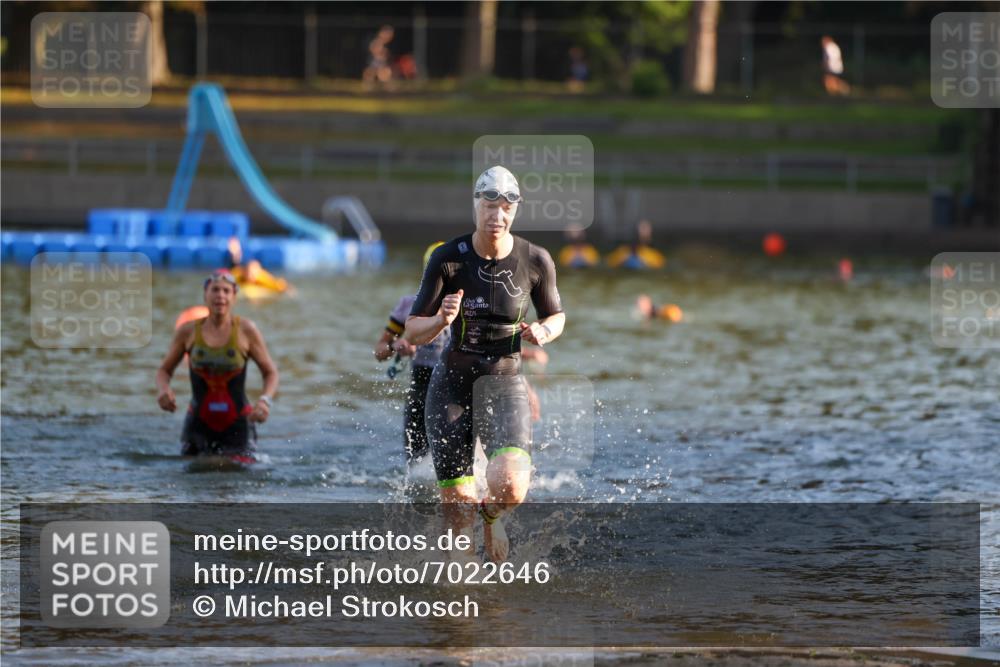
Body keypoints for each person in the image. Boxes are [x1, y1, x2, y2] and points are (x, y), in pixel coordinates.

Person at [404, 166, 566, 562]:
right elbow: (411, 331)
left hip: (505, 383)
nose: (497, 216)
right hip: (453, 385)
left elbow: (557, 315)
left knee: (511, 487)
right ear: (475, 206)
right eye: (489, 206)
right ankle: (458, 599)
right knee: (456, 507)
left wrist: (545, 331)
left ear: (515, 211)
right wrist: (442, 319)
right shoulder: (448, 259)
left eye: (506, 207)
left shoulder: (536, 260)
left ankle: (492, 516)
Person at [156, 269, 279, 462]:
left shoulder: (246, 331)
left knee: (236, 480)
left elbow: (270, 372)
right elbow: (164, 370)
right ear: (205, 294)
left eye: (225, 290)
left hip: (238, 422)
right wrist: (163, 390)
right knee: (192, 479)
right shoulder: (187, 332)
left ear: (234, 296)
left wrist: (265, 401)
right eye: (215, 290)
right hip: (198, 422)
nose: (220, 295)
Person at [374, 242, 451, 463]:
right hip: (422, 387)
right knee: (416, 464)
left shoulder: (469, 306)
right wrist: (395, 347)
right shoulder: (409, 305)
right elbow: (379, 351)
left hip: (455, 386)